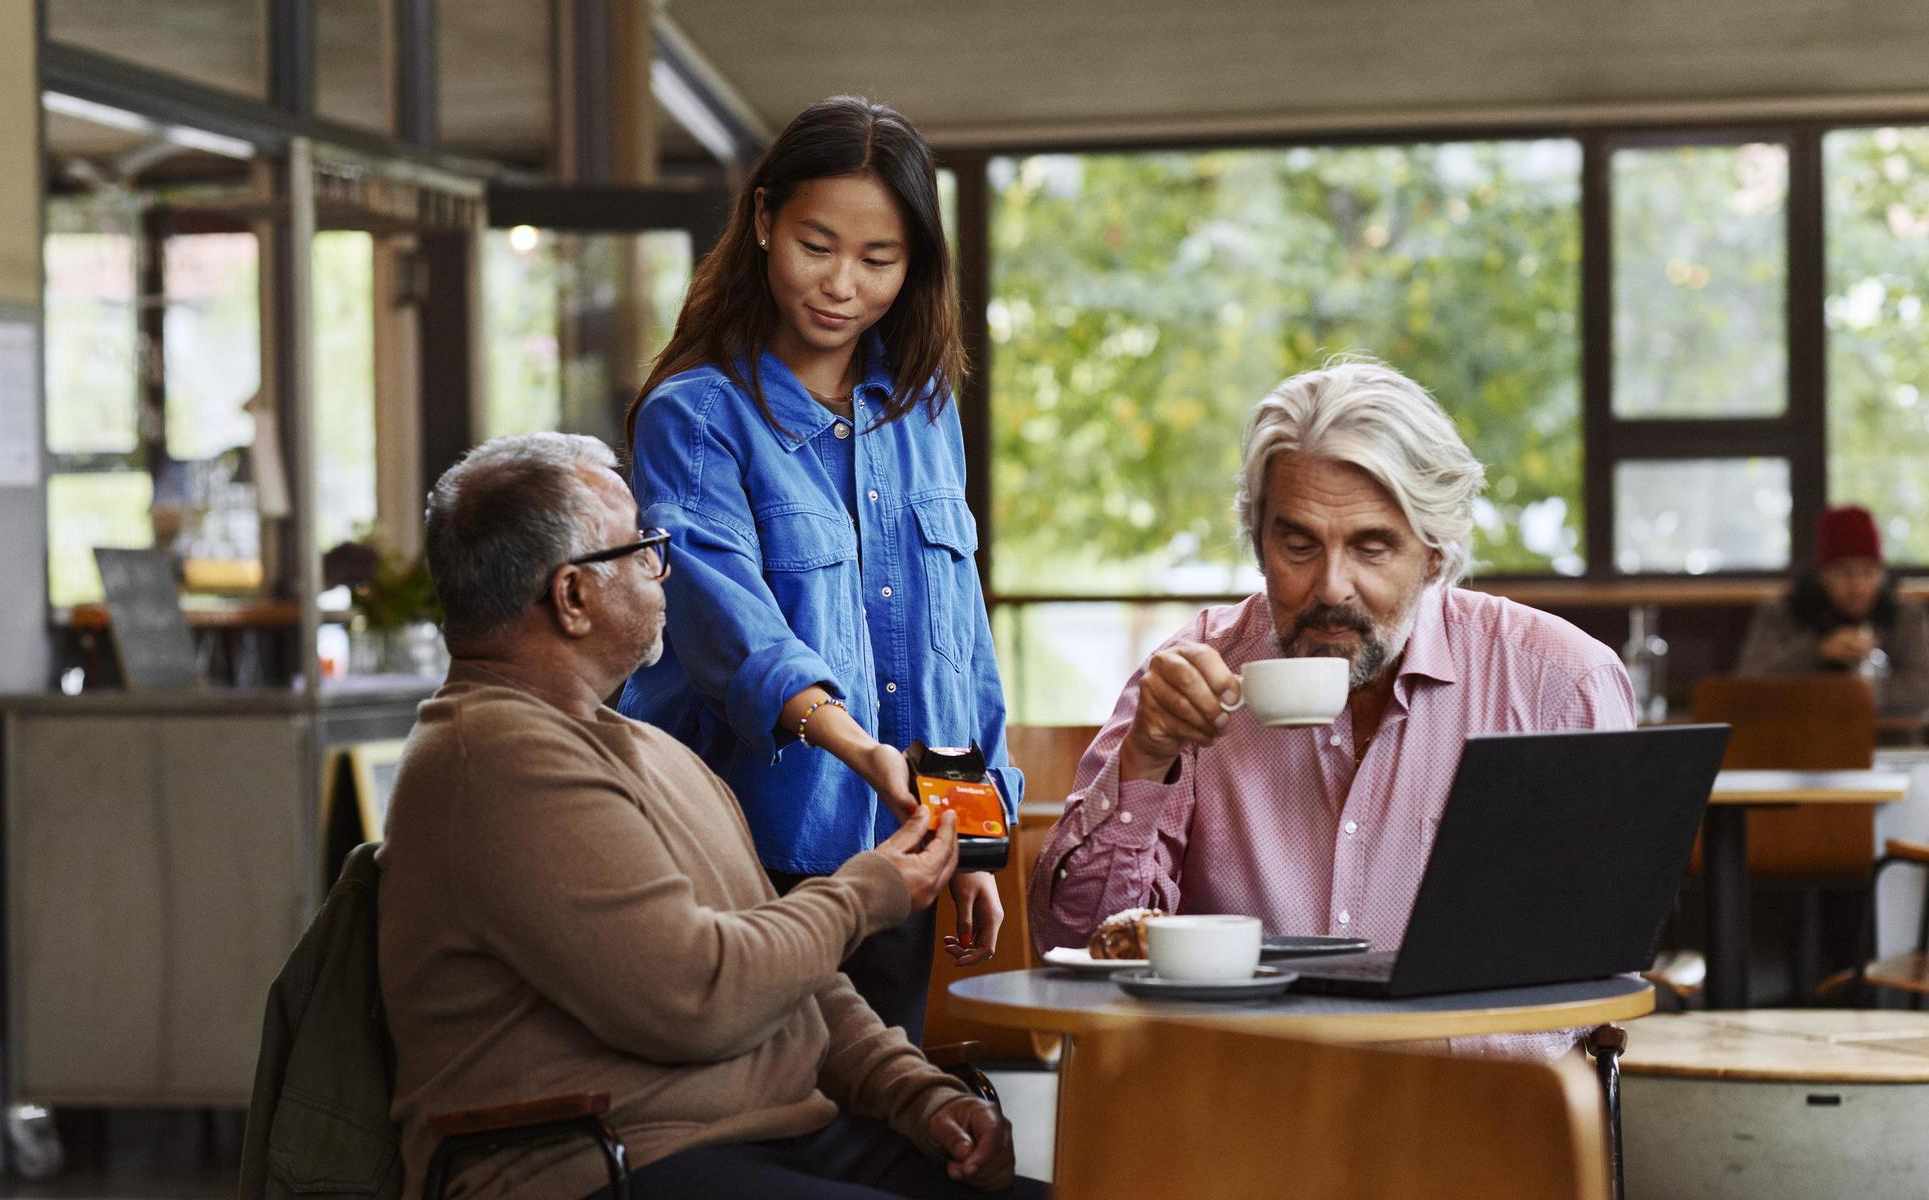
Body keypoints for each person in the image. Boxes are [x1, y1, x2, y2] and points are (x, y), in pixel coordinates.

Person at [379, 433, 1041, 1199]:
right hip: (613, 1167)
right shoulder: (493, 760)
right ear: (572, 596)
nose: (668, 571)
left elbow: (796, 984)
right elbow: (701, 997)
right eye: (645, 550)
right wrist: (870, 890)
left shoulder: (647, 749)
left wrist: (921, 1097)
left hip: (771, 1142)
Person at [1026, 359, 1636, 1050]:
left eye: (1372, 548)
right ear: (1258, 542)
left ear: (1435, 553)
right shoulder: (1191, 677)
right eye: (1298, 545)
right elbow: (1073, 945)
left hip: (1471, 1111)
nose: (1332, 588)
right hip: (1241, 1110)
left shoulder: (1558, 686)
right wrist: (1146, 760)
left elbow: (1593, 973)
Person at [620, 95, 1019, 1043]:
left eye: (880, 260)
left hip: (900, 855)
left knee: (887, 1125)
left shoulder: (922, 413)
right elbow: (730, 632)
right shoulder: (697, 415)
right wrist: (855, 747)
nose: (844, 284)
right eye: (817, 245)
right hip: (747, 859)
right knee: (768, 1130)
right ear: (763, 222)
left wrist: (975, 837)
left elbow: (957, 645)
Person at [1736, 504, 1929, 715]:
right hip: (1801, 738)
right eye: (1845, 572)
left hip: (1887, 741)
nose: (1857, 585)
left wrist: (1864, 687)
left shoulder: (1905, 617)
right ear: (1822, 575)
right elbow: (1748, 687)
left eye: (1868, 572)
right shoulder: (1783, 613)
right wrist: (1816, 652)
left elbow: (1922, 690)